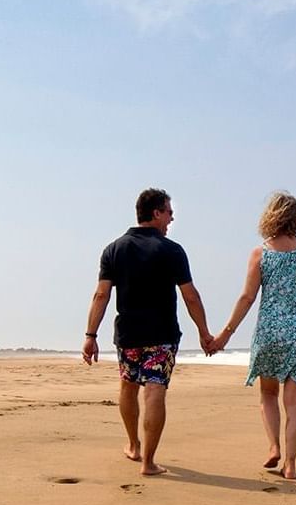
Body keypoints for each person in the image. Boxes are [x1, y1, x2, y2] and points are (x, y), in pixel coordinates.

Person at [83, 188, 217, 476]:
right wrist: (204, 333)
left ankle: (133, 445)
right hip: (162, 335)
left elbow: (101, 295)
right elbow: (190, 296)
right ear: (156, 213)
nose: (171, 218)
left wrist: (90, 335)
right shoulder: (171, 250)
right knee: (155, 390)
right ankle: (148, 463)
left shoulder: (113, 249)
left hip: (128, 335)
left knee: (128, 387)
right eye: (169, 212)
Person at [211, 192, 296, 480]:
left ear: (271, 216)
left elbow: (248, 296)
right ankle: (292, 465)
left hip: (271, 330)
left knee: (268, 393)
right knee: (294, 402)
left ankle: (273, 447)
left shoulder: (261, 253)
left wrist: (225, 334)